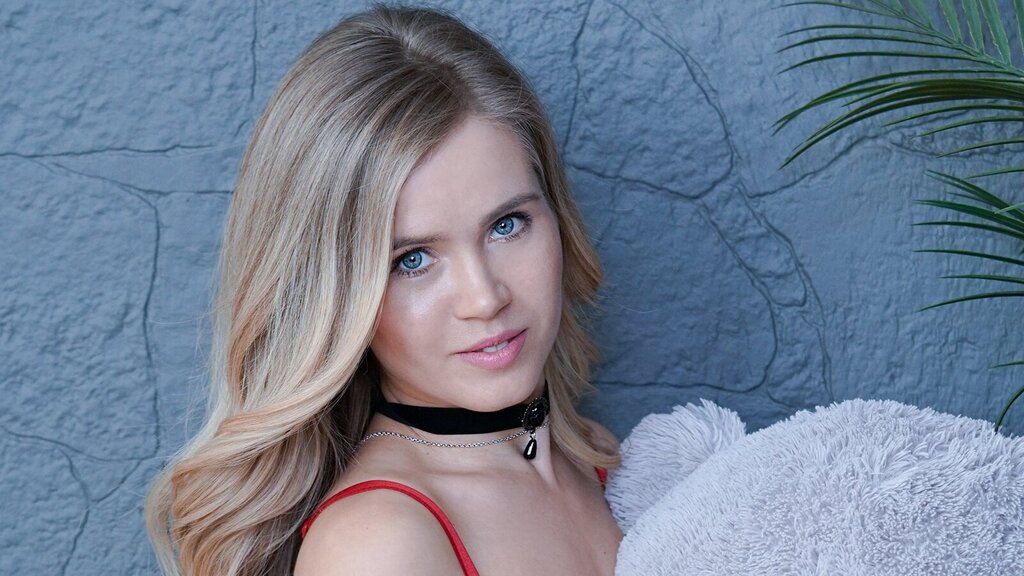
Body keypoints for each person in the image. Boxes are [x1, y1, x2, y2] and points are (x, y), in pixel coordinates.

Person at [145, 5, 622, 575]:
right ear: (333, 296)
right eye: (411, 260)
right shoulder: (376, 545)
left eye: (506, 225)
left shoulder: (601, 457)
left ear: (555, 213)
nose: (485, 298)